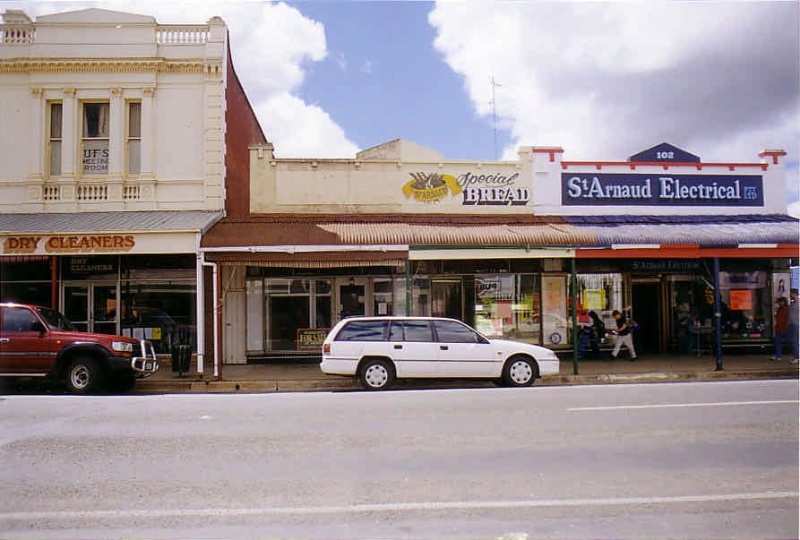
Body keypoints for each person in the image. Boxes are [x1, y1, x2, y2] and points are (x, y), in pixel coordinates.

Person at [771, 297, 789, 361]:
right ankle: (778, 356)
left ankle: (778, 356)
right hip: (779, 328)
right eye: (779, 302)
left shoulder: (785, 309)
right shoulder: (780, 309)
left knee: (790, 342)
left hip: (783, 328)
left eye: (781, 302)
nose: (780, 303)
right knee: (777, 342)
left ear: (784, 302)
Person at [789, 289, 799, 364]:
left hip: (796, 325)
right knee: (794, 341)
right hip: (792, 324)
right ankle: (796, 356)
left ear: (794, 294)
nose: (790, 295)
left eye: (791, 294)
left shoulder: (798, 303)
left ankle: (797, 357)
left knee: (794, 341)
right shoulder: (793, 303)